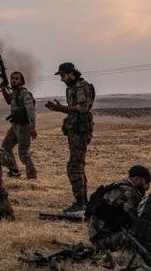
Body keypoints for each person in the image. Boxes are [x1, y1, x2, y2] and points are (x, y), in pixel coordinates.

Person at [46, 62, 95, 214]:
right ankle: (83, 202)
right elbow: (74, 110)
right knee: (77, 165)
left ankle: (80, 204)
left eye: (62, 75)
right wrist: (60, 109)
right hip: (75, 129)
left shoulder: (80, 86)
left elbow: (82, 108)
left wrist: (61, 108)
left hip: (80, 130)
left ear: (70, 73)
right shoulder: (72, 87)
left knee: (74, 166)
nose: (61, 79)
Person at [87, 165, 151, 251]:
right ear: (137, 179)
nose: (147, 187)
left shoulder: (120, 185)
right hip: (103, 239)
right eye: (146, 182)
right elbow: (138, 218)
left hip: (98, 235)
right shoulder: (129, 193)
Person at [0, 71, 37, 179]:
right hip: (15, 126)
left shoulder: (25, 94)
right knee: (6, 146)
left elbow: (31, 112)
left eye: (17, 79)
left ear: (21, 81)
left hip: (24, 127)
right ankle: (14, 170)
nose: (14, 80)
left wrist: (32, 128)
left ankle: (32, 176)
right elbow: (9, 100)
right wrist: (3, 89)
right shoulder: (15, 93)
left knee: (23, 154)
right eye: (12, 78)